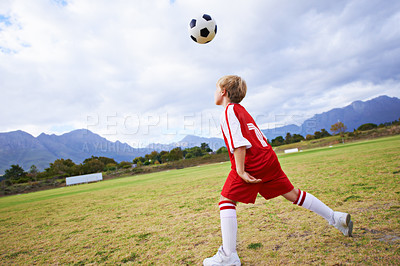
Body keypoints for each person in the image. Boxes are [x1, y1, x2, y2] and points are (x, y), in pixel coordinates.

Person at [203, 75, 353, 266]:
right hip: (268, 158)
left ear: (223, 91)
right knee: (292, 194)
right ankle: (335, 217)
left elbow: (239, 144)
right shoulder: (241, 110)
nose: (214, 92)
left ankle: (228, 256)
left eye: (216, 88)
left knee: (227, 200)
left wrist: (240, 171)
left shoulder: (228, 111)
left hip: (253, 162)